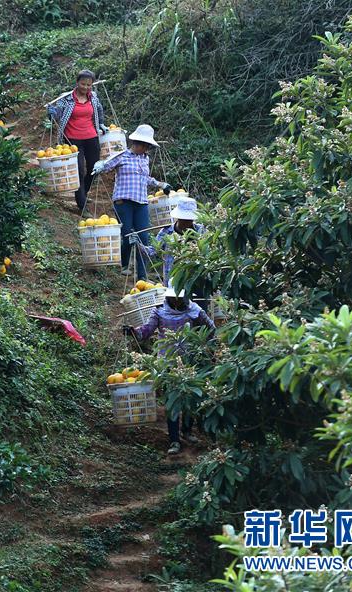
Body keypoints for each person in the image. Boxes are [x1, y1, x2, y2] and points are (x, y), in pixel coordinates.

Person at [123, 285, 214, 454]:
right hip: (167, 363)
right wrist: (133, 332)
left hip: (190, 360)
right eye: (175, 298)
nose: (178, 301)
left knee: (189, 398)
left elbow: (211, 328)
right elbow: (146, 332)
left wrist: (205, 347)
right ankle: (174, 440)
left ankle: (187, 431)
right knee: (172, 401)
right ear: (169, 297)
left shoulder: (195, 310)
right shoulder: (159, 311)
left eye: (181, 298)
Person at [92, 124, 171, 280]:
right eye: (145, 146)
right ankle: (124, 264)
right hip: (123, 202)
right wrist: (99, 166)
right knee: (128, 235)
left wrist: (161, 184)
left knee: (143, 239)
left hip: (141, 202)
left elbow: (145, 178)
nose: (146, 149)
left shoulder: (145, 159)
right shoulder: (122, 156)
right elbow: (107, 166)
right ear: (137, 143)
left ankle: (142, 276)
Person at [46, 70, 107, 211]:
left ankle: (82, 193)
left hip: (91, 137)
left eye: (89, 85)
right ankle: (82, 205)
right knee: (78, 170)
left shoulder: (94, 97)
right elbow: (56, 115)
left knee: (94, 168)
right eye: (83, 84)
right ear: (77, 83)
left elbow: (99, 110)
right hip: (72, 140)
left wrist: (102, 123)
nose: (85, 87)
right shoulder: (66, 99)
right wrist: (51, 113)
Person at [140, 196, 206, 287]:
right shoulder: (167, 232)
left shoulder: (200, 231)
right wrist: (138, 245)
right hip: (172, 281)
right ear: (178, 218)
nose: (186, 223)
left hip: (195, 280)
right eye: (184, 219)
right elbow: (152, 252)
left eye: (189, 220)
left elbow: (207, 252)